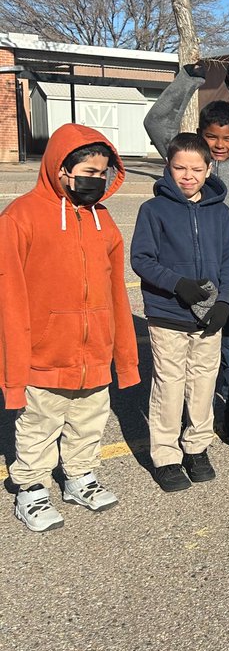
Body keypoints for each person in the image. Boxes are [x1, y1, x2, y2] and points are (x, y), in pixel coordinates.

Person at [0, 125, 139, 532]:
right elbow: (9, 293)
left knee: (89, 420)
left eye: (101, 173)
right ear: (61, 169)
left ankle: (79, 476)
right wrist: (15, 365)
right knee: (39, 425)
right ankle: (31, 488)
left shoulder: (104, 221)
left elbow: (117, 292)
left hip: (93, 351)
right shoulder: (21, 216)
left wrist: (121, 354)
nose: (94, 180)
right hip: (45, 354)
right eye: (87, 171)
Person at [143, 63, 229, 442]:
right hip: (191, 270)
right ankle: (190, 418)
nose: (220, 145)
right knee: (193, 352)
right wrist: (188, 79)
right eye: (212, 137)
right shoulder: (192, 162)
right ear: (200, 138)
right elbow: (157, 122)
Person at [131, 133, 229, 492]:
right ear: (168, 168)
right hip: (168, 314)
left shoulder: (219, 212)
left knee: (204, 381)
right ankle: (165, 455)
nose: (188, 175)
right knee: (170, 384)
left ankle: (196, 446)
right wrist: (177, 284)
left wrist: (225, 301)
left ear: (209, 169)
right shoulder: (154, 211)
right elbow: (141, 259)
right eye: (180, 167)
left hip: (209, 316)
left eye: (196, 168)